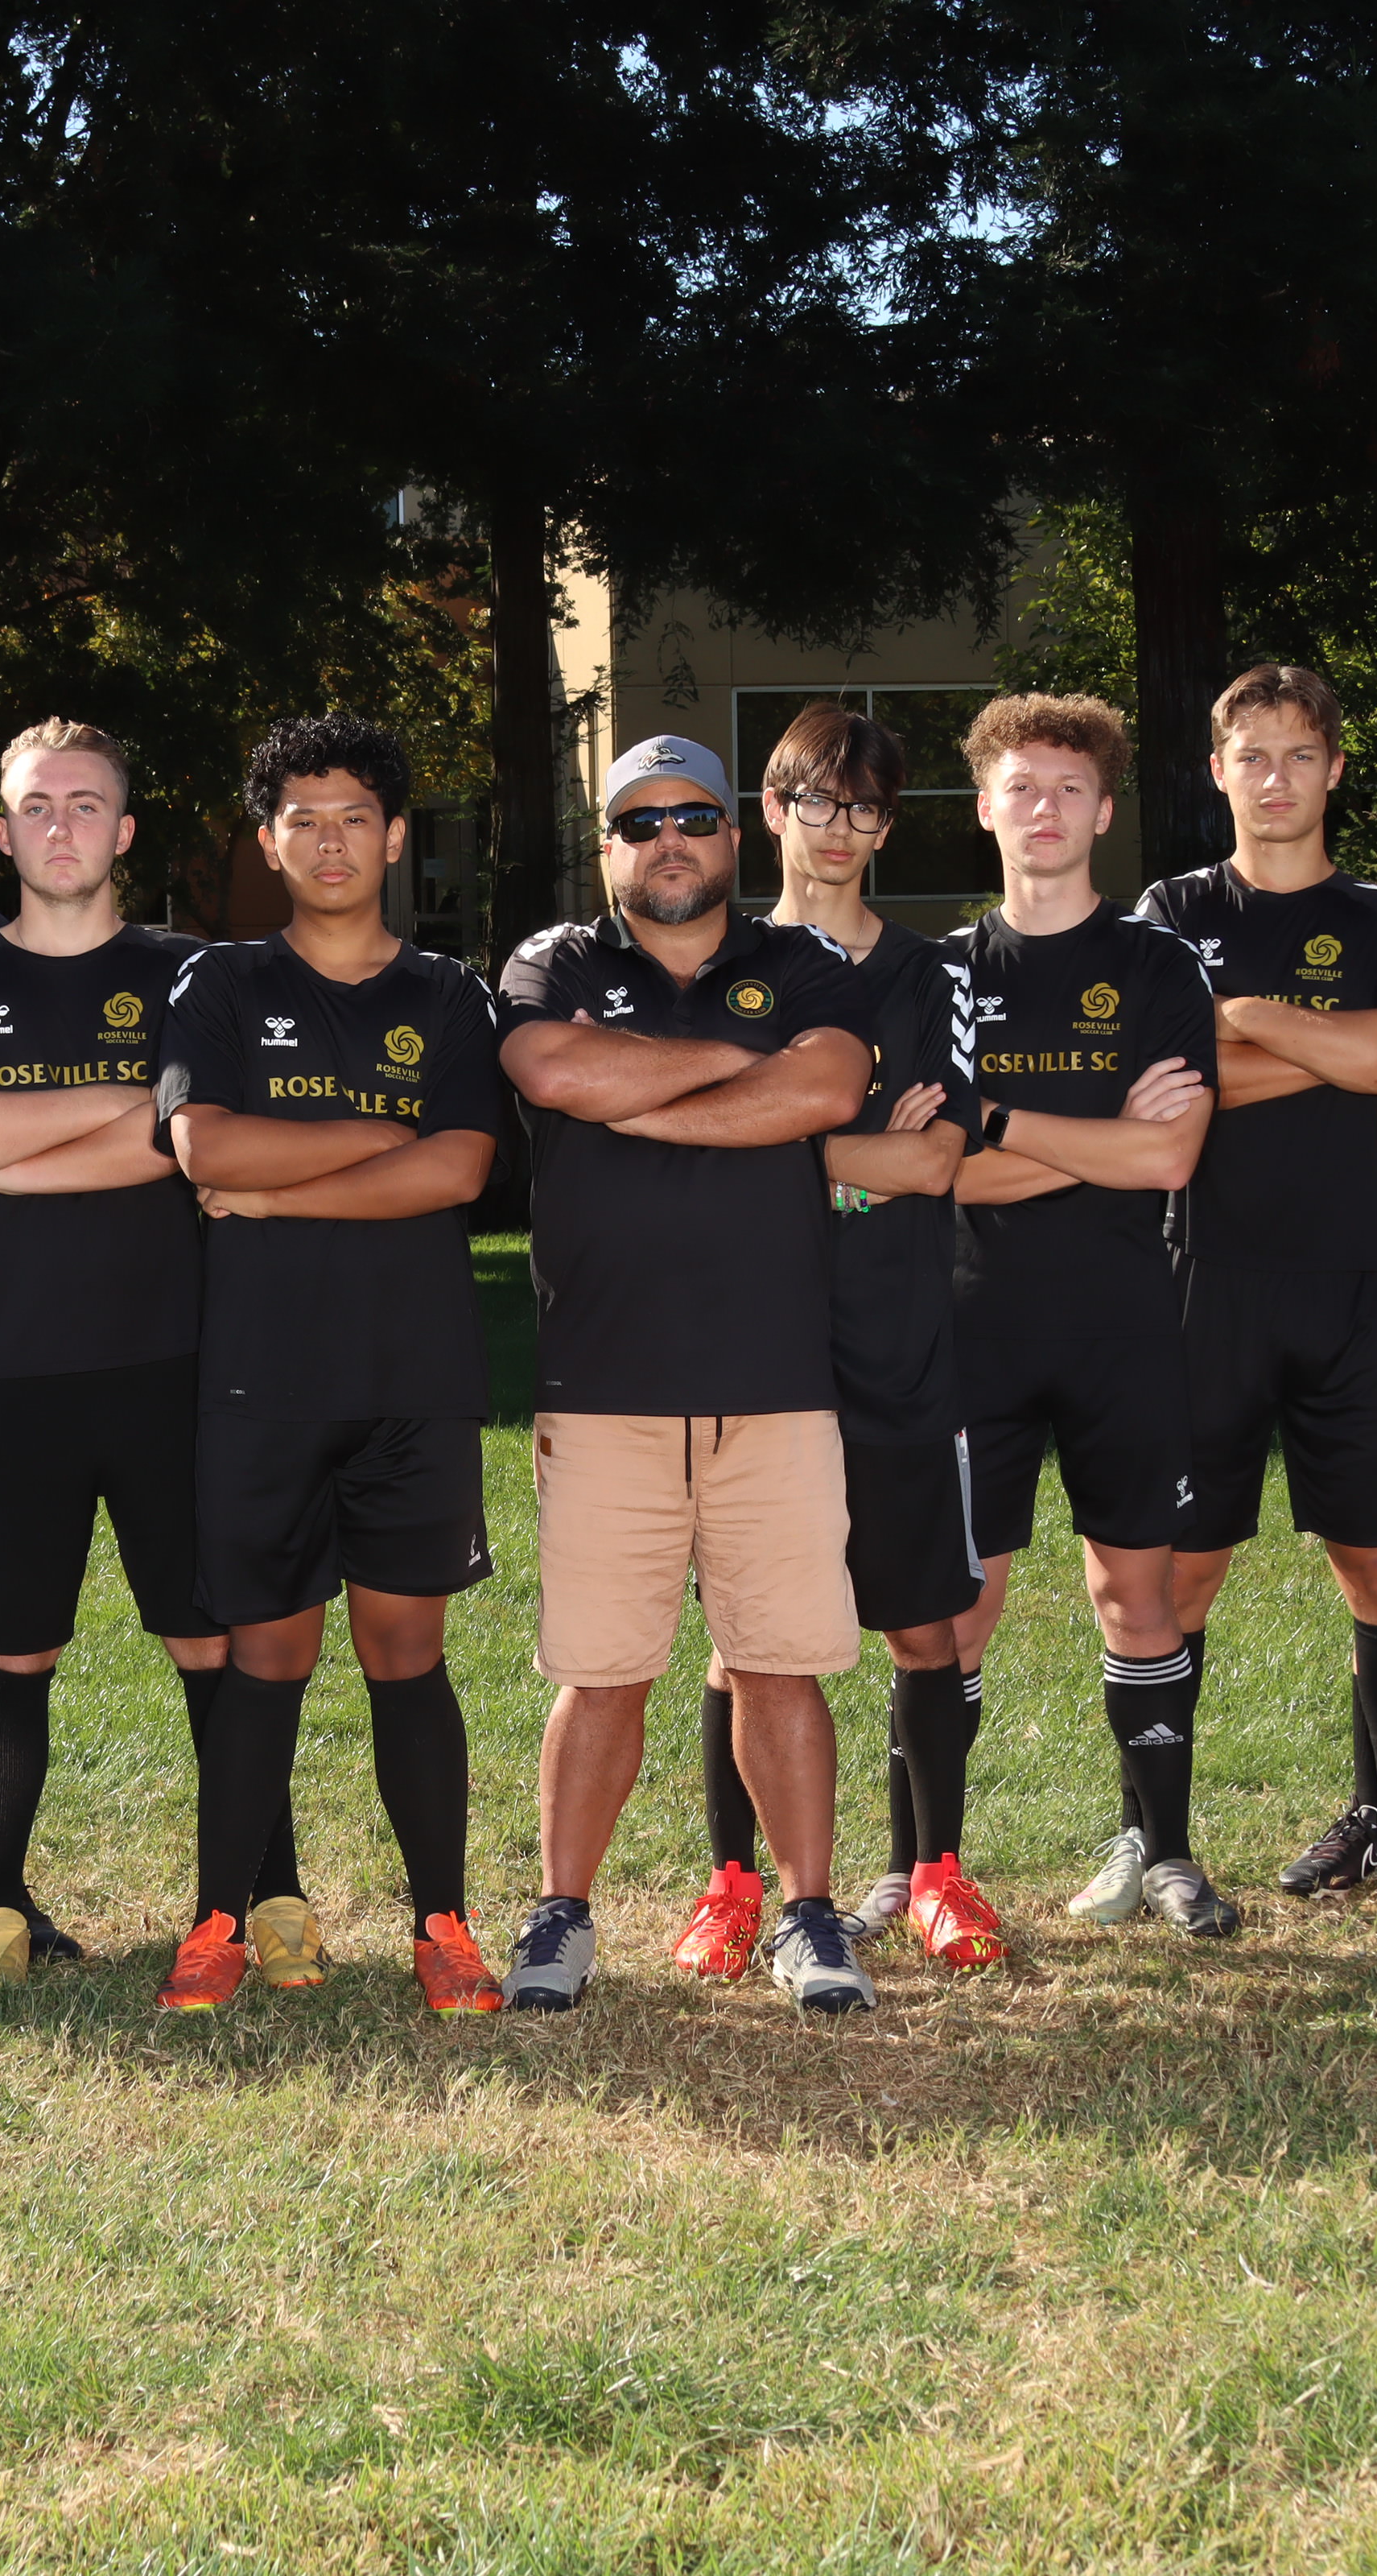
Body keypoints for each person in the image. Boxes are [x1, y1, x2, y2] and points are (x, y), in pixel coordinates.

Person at [495, 733, 880, 2014]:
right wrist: (742, 1061)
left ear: (733, 831)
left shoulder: (804, 961)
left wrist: (633, 1098)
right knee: (602, 1670)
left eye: (694, 817)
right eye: (640, 821)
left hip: (776, 1384)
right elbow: (552, 1070)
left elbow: (827, 1088)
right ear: (606, 845)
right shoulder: (556, 962)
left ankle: (809, 1916)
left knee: (780, 1664)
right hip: (604, 1385)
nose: (670, 839)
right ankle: (562, 1915)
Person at [152, 712, 507, 2015]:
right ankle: (217, 1924)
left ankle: (442, 1926)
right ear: (269, 841)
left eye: (356, 816)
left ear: (397, 836)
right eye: (302, 818)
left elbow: (458, 1170)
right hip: (262, 1379)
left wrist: (277, 1191)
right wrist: (375, 1135)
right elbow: (205, 1149)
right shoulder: (221, 985)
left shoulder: (449, 996)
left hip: (412, 1377)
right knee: (267, 1658)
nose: (331, 840)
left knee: (406, 1656)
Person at [0, 720, 246, 1986]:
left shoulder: (190, 975)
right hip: (5, 1371)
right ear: (3, 832)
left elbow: (190, 1142)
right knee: (13, 1650)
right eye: (38, 806)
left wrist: (13, 1135)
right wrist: (127, 1105)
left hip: (177, 1364)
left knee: (213, 1645)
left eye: (86, 805)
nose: (61, 827)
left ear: (125, 830)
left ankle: (243, 1900)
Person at [1136, 671, 1377, 1923]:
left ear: (1334, 770)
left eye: (1298, 756)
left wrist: (1250, 1018)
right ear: (1218, 772)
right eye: (1252, 756)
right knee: (1180, 1579)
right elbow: (1164, 1074)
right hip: (1199, 1278)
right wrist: (1333, 1053)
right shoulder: (1172, 911)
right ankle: (1156, 1843)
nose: (1275, 779)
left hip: (1354, 1284)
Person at [670, 702, 991, 1980]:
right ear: (773, 809)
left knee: (927, 1629)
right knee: (743, 1640)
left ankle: (935, 1876)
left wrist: (790, 1143)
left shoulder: (931, 976)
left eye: (867, 807)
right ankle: (734, 1886)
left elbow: (937, 1160)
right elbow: (700, 1144)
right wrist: (852, 1154)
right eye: (818, 800)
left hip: (900, 1340)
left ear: (888, 825)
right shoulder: (722, 968)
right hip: (759, 1347)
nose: (841, 827)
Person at [939, 695, 1235, 1943]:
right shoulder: (944, 973)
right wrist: (1101, 1136)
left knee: (1138, 1599)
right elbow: (935, 1168)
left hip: (1124, 1327)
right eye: (1022, 787)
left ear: (1105, 811)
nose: (1045, 809)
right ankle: (925, 1869)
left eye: (1070, 788)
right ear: (986, 808)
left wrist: (1003, 1123)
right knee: (958, 1611)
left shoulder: (1159, 965)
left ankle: (1166, 1854)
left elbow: (1170, 1161)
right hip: (971, 1330)